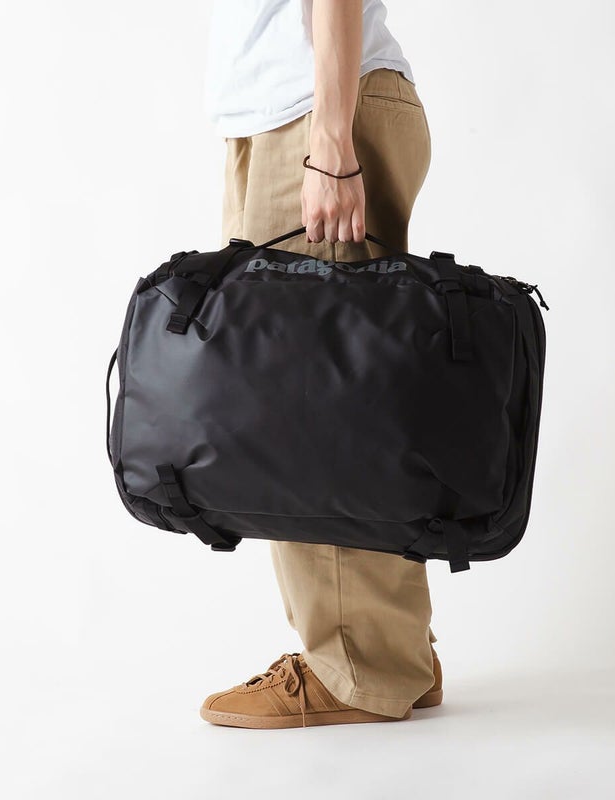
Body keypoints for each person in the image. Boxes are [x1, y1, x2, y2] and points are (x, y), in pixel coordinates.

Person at [199, 0, 440, 729]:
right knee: (344, 398)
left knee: (309, 406)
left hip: (315, 109)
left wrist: (331, 141)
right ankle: (394, 654)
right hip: (300, 107)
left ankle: (360, 671)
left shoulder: (319, 122)